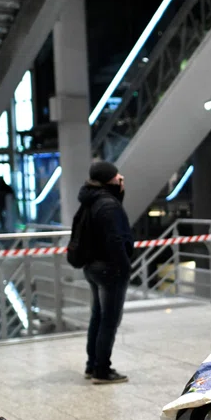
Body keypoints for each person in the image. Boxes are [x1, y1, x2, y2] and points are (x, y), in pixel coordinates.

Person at [80, 161, 133, 384]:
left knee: (98, 316)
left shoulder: (92, 199)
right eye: (117, 175)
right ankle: (102, 370)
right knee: (109, 320)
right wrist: (125, 267)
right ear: (110, 179)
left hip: (92, 266)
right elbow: (114, 238)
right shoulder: (108, 205)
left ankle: (92, 366)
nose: (121, 177)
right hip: (109, 268)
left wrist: (117, 195)